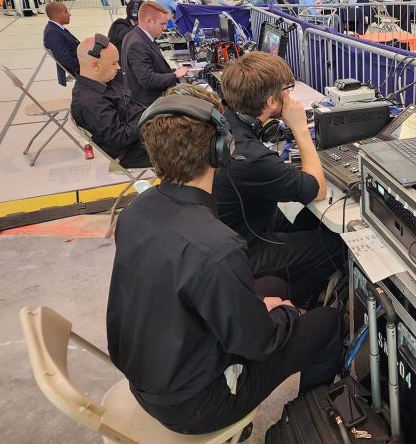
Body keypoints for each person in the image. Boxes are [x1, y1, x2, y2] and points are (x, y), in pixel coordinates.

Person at [107, 83, 342, 435]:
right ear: (221, 149)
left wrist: (264, 306)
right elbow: (258, 343)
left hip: (153, 377)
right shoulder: (218, 246)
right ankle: (309, 424)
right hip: (199, 403)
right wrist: (284, 313)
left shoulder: (136, 212)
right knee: (328, 324)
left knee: (274, 283)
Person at [213, 54, 343, 308]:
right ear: (272, 101)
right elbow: (316, 189)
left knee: (311, 219)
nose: (291, 97)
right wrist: (300, 129)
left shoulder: (226, 123)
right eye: (287, 90)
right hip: (242, 251)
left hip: (236, 227)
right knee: (334, 244)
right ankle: (296, 302)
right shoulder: (251, 157)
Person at [70, 35, 150, 168]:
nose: (118, 67)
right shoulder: (90, 102)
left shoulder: (102, 82)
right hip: (134, 151)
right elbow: (119, 138)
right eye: (113, 63)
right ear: (95, 65)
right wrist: (149, 116)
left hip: (142, 134)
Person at [121, 1, 188, 106]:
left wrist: (172, 72)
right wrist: (174, 75)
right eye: (162, 23)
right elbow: (147, 79)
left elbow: (153, 67)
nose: (165, 27)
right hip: (148, 104)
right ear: (149, 21)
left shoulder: (134, 34)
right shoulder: (137, 44)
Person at [43, 2, 79, 86]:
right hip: (80, 67)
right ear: (56, 14)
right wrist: (86, 66)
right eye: (66, 12)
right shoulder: (52, 33)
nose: (69, 14)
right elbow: (65, 59)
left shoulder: (56, 28)